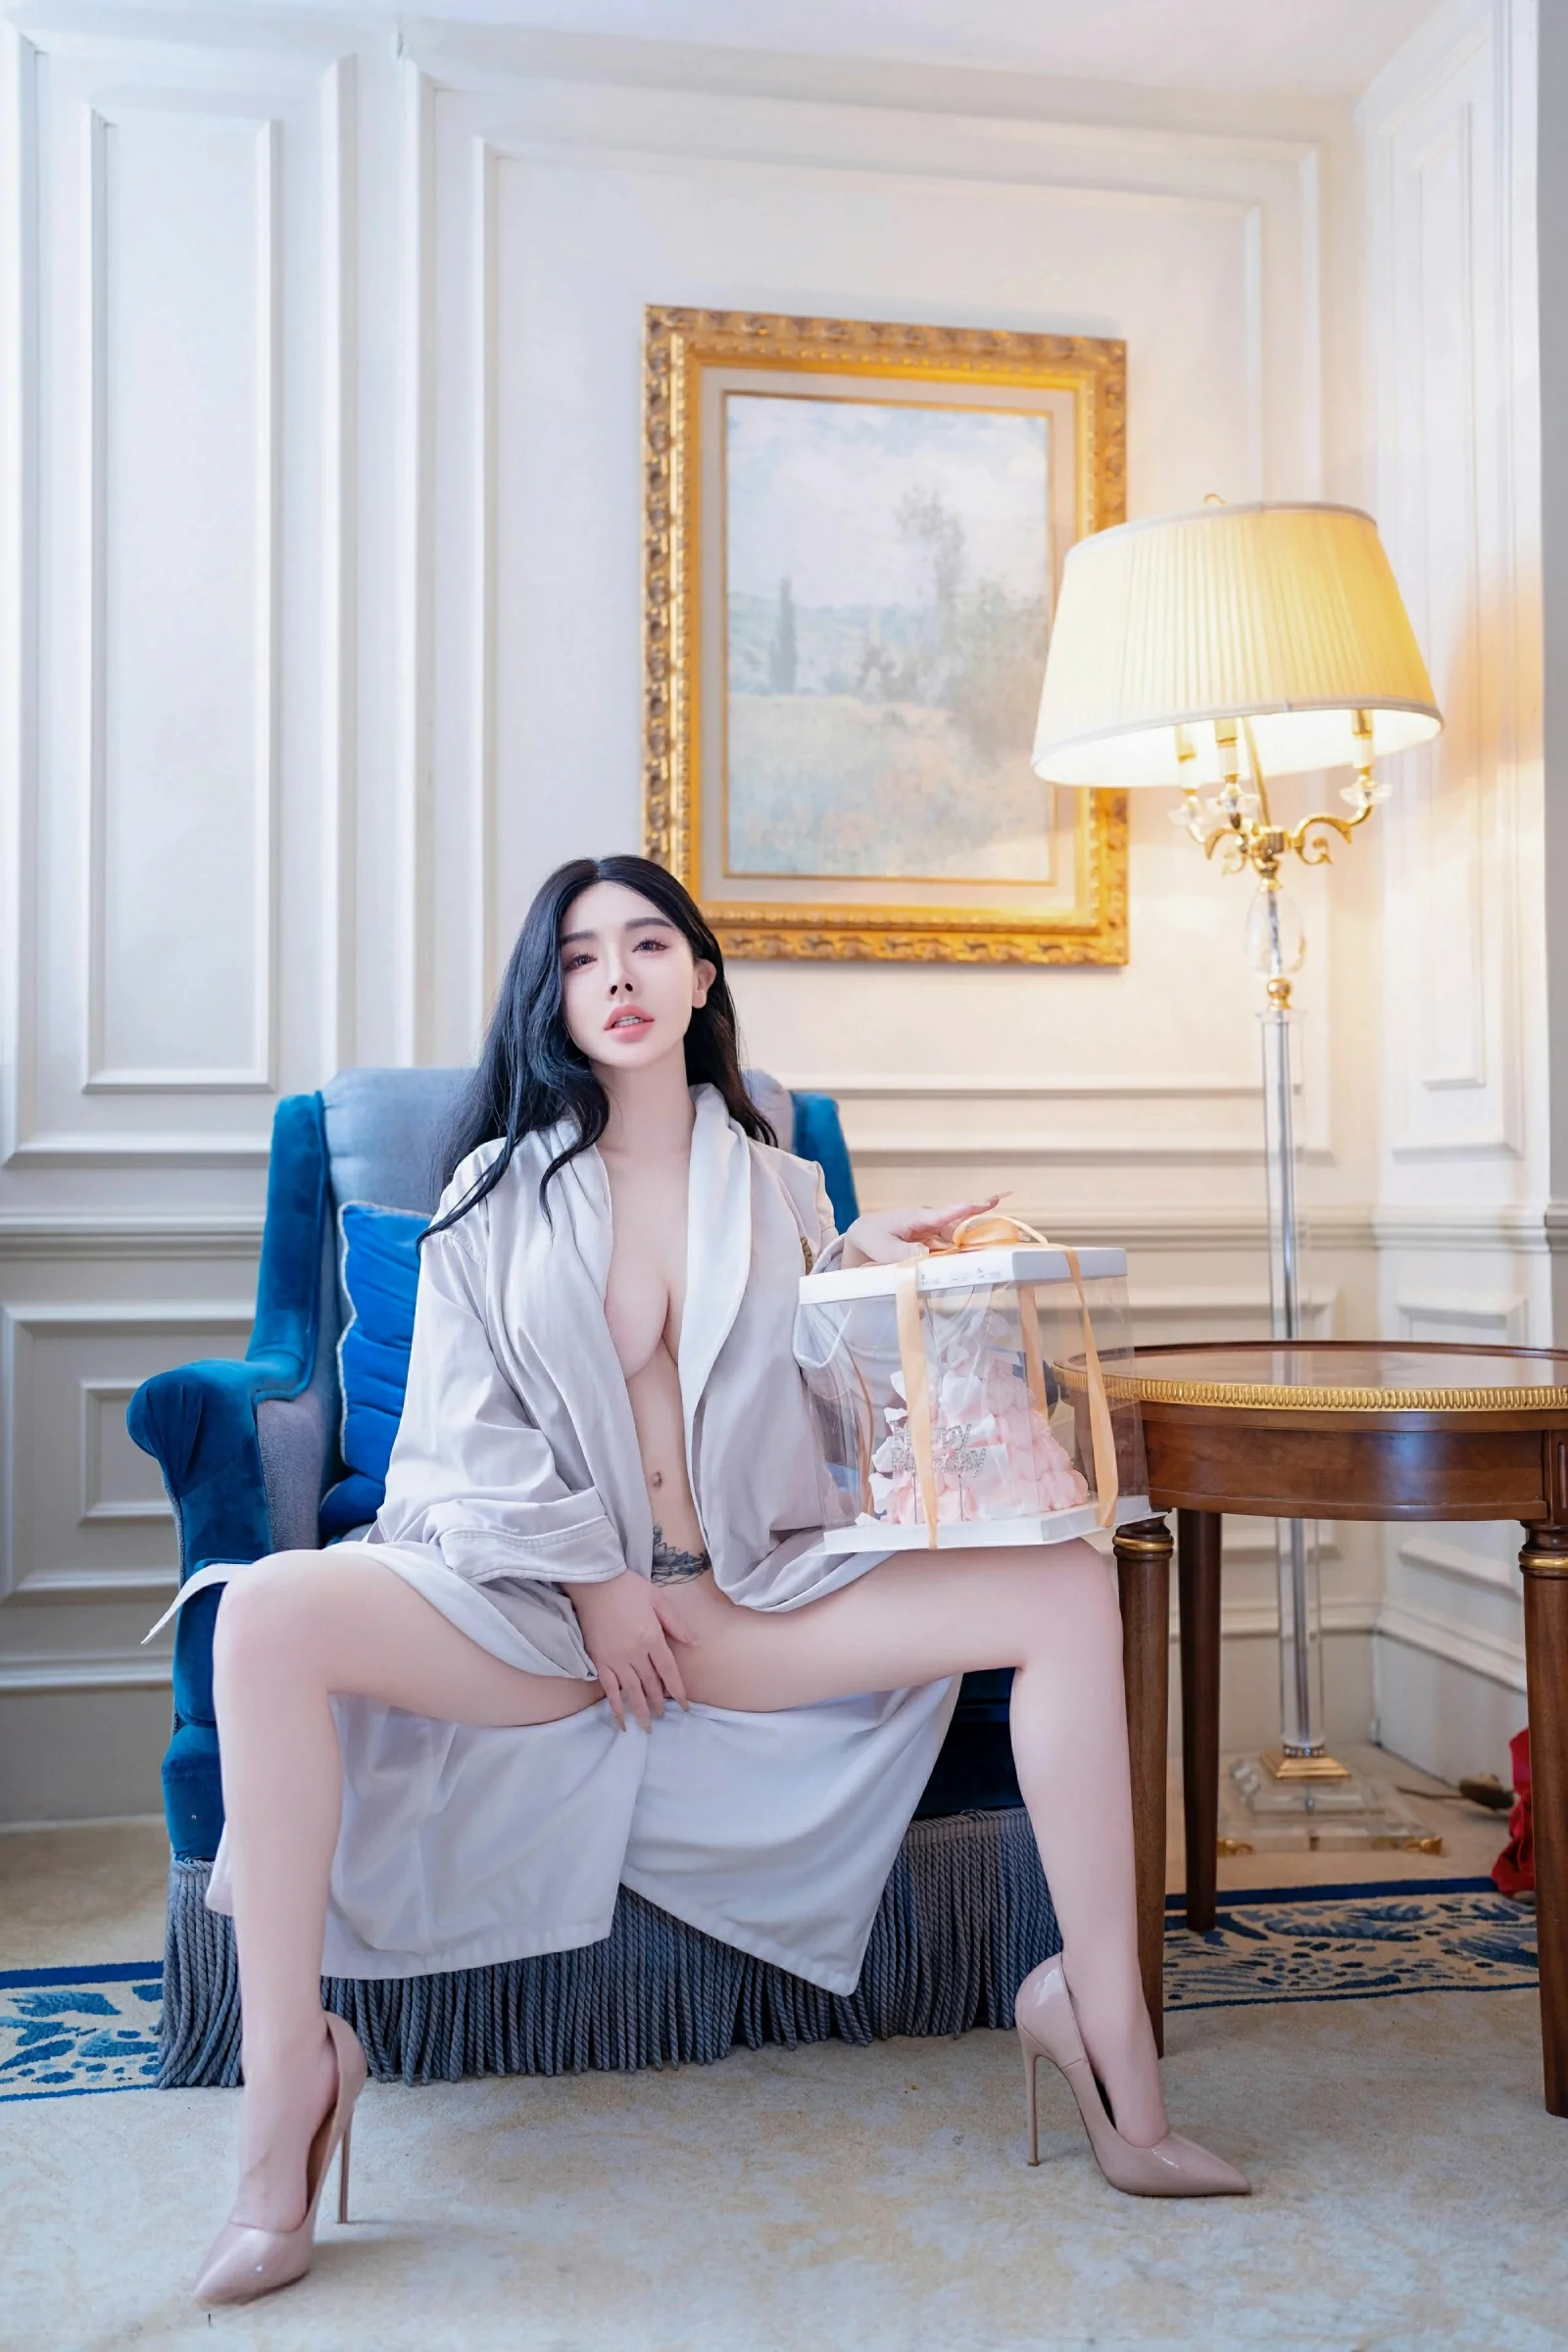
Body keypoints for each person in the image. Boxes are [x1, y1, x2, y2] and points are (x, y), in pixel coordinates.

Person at [181, 854, 1248, 2307]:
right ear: (552, 998)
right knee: (259, 1613)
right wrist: (593, 1583)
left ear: (700, 975)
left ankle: (1107, 2038)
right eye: (578, 957)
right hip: (542, 1618)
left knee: (1066, 1580)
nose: (615, 977)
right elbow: (460, 1441)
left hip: (742, 1607)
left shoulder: (781, 1185)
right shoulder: (495, 1189)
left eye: (646, 945)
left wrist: (864, 1272)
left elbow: (821, 1413)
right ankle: (286, 2098)